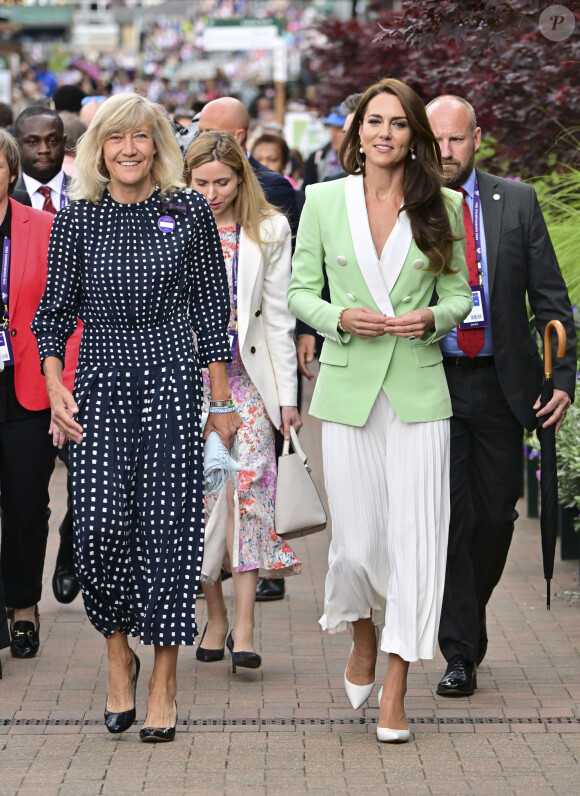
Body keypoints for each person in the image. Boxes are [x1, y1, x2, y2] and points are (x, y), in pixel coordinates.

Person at [32, 93, 239, 743]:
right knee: (96, 530)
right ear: (98, 147)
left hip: (173, 382)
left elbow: (213, 309)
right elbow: (54, 315)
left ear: (158, 146)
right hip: (98, 383)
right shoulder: (78, 219)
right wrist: (53, 385)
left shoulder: (185, 211)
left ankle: (162, 682)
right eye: (116, 138)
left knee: (169, 534)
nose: (128, 149)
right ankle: (118, 653)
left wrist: (222, 401)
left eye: (141, 138)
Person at [287, 78, 472, 743]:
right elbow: (300, 293)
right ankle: (362, 633)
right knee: (358, 547)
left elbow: (459, 295)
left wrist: (430, 318)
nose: (385, 133)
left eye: (398, 123)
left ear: (413, 134)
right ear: (356, 131)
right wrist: (338, 317)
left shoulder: (442, 204)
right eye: (374, 121)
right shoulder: (322, 200)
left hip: (421, 394)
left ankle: (396, 684)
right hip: (348, 392)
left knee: (417, 544)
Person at [425, 95, 577, 696]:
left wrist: (561, 378)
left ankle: (469, 617)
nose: (445, 151)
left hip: (499, 382)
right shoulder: (407, 203)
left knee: (494, 516)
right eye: (435, 140)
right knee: (452, 519)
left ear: (477, 139)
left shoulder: (516, 201)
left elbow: (551, 301)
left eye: (457, 140)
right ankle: (459, 649)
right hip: (429, 377)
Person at [185, 131, 302, 671]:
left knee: (250, 492)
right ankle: (214, 615)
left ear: (241, 178)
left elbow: (278, 318)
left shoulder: (271, 229)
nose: (211, 193)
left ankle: (247, 624)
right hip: (187, 384)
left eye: (222, 182)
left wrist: (288, 399)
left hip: (251, 381)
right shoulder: (173, 225)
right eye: (200, 182)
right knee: (205, 498)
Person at [0, 129, 81, 662]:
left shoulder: (43, 228)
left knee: (27, 505)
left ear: (9, 171)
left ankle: (23, 606)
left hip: (28, 386)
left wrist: (62, 389)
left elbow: (69, 317)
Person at [301, 106, 347, 188]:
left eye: (339, 129)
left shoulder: (363, 160)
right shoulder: (315, 158)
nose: (333, 134)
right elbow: (305, 194)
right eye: (331, 128)